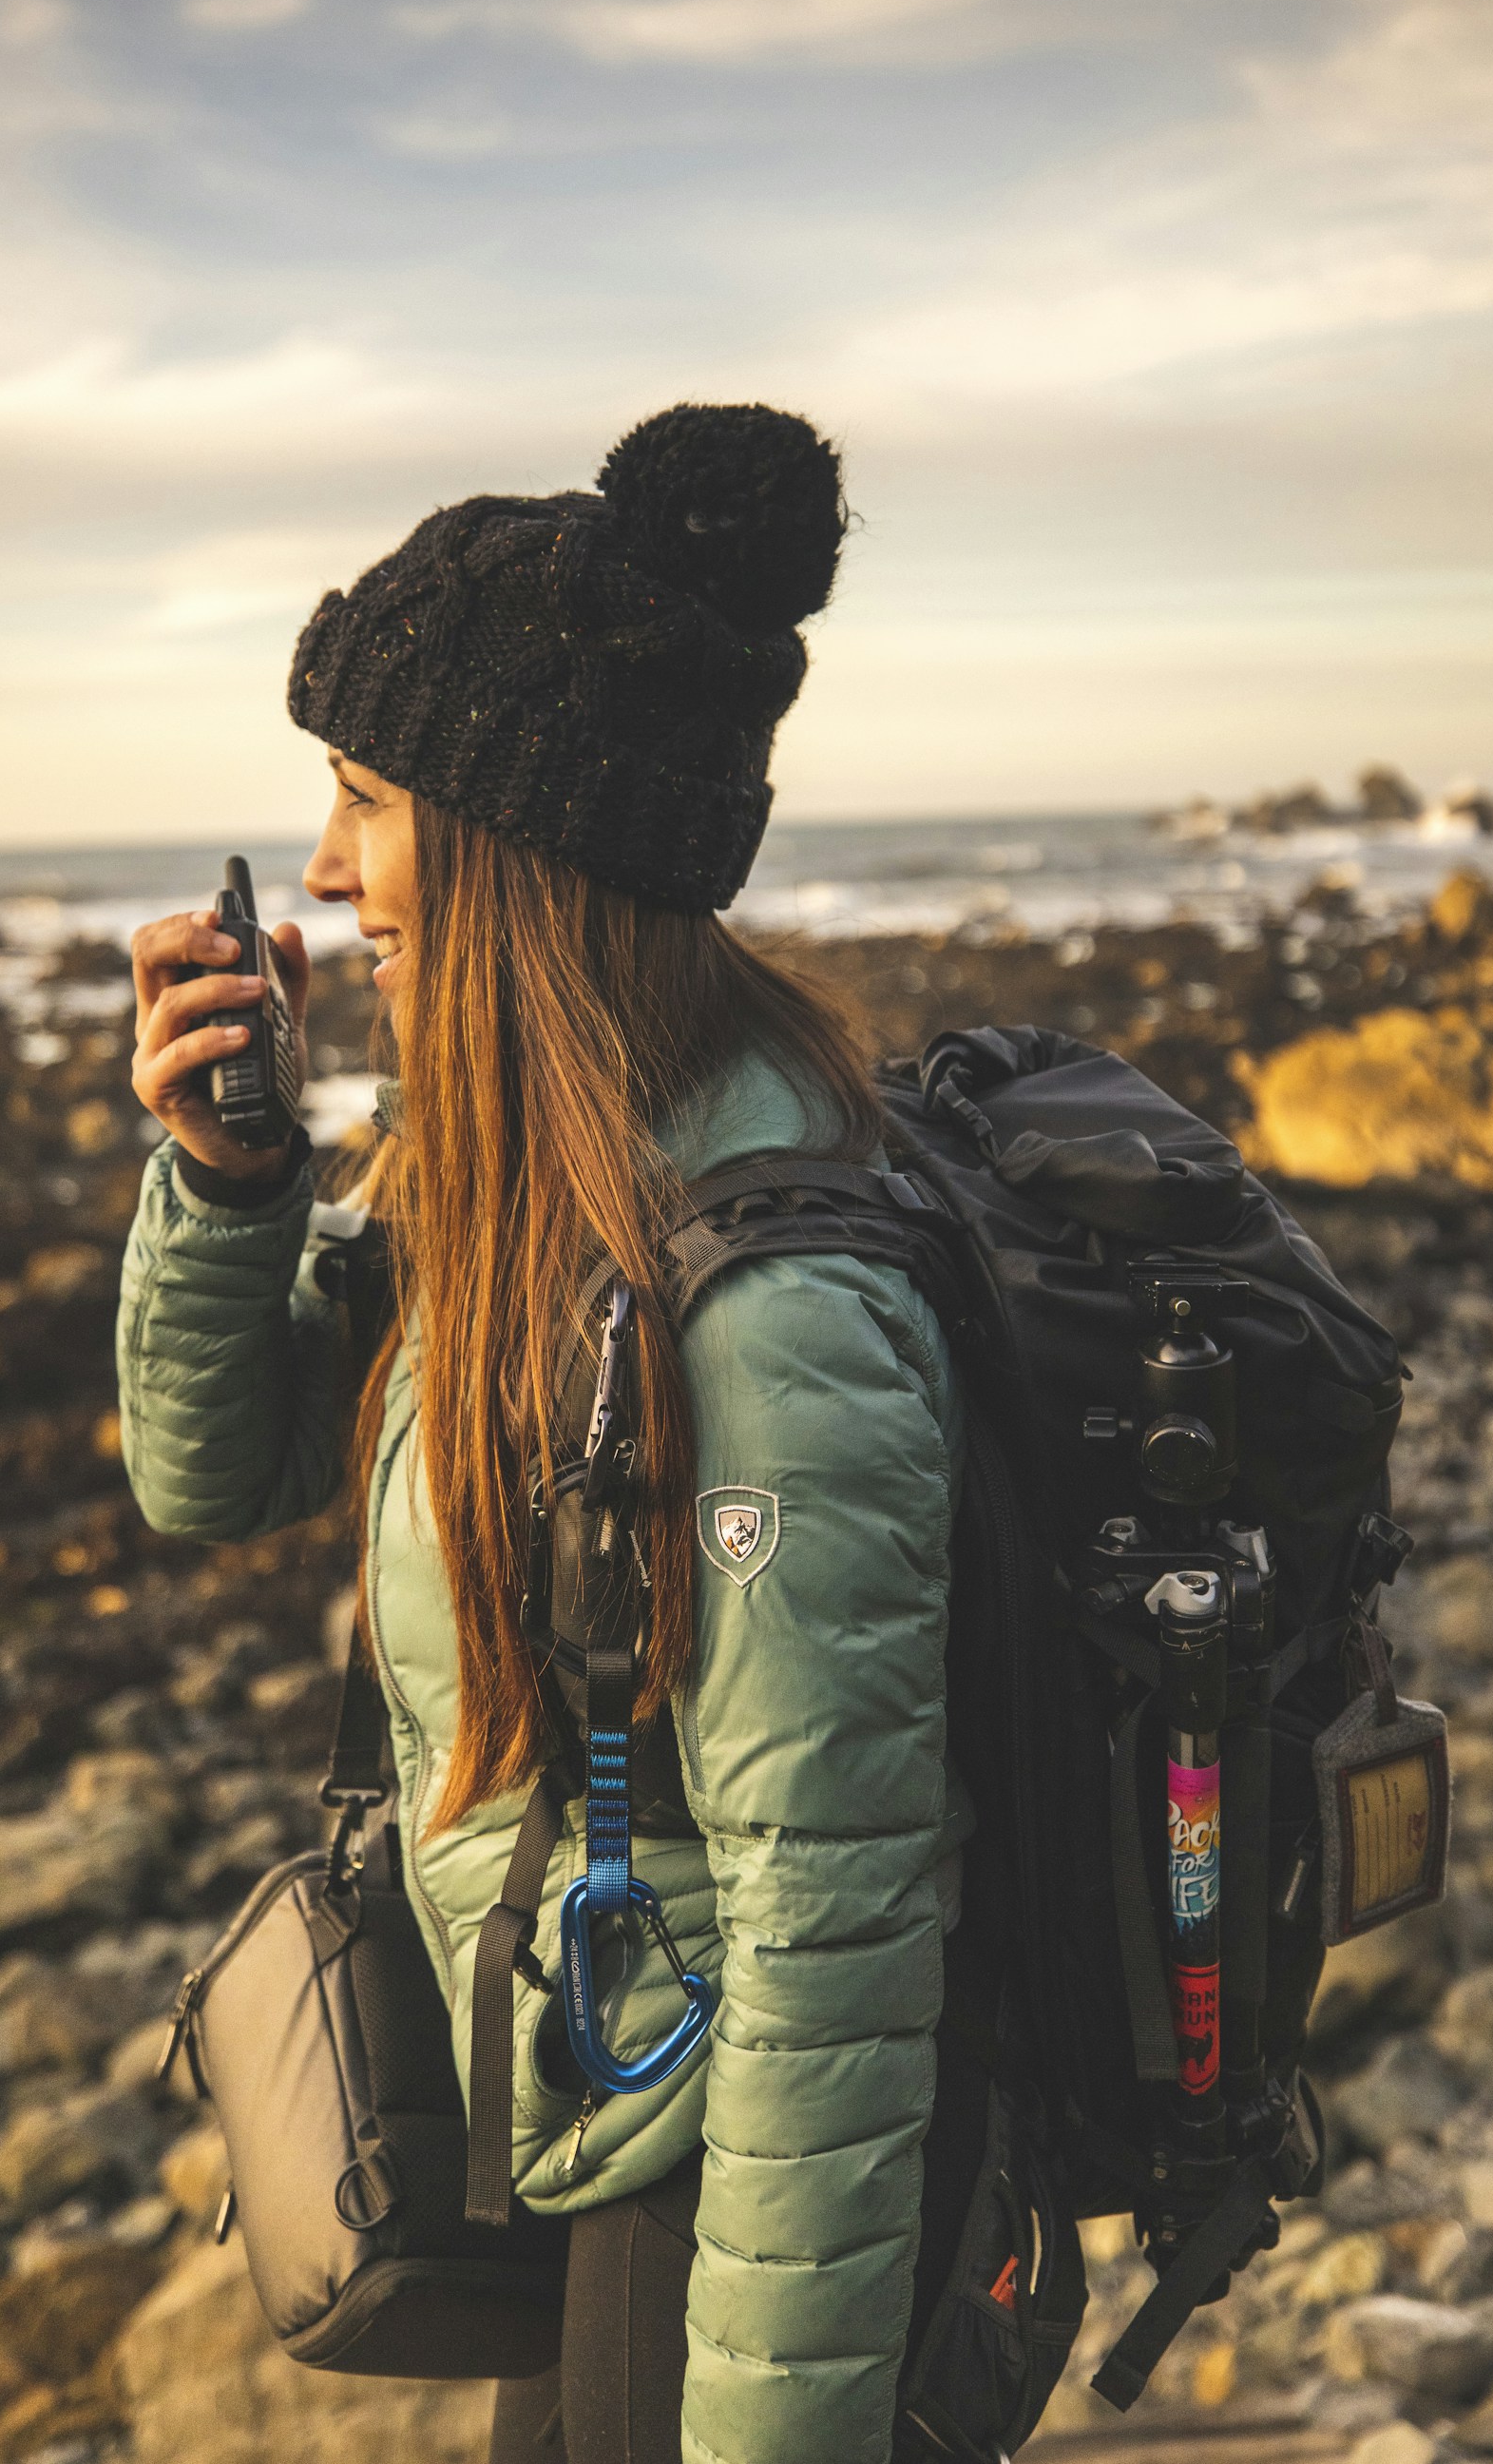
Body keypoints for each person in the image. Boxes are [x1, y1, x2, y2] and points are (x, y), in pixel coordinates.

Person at [115, 405, 970, 2464]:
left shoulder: (764, 1315)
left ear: (514, 838)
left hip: (714, 2206)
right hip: (597, 2125)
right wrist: (236, 1195)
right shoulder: (504, 1183)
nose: (324, 870)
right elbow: (203, 1479)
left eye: (363, 799)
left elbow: (832, 1949)